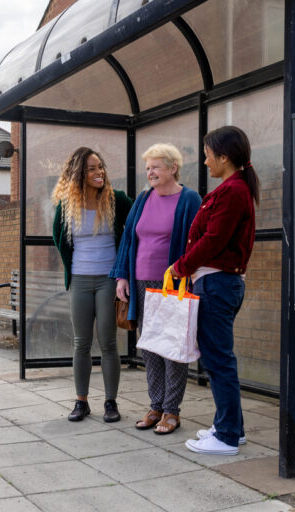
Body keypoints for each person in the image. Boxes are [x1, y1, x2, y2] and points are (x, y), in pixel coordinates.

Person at [170, 126, 259, 455]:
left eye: (208, 156)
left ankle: (226, 436)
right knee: (220, 358)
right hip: (217, 282)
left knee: (218, 360)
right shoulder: (233, 189)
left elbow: (213, 240)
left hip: (217, 284)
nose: (206, 162)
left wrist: (180, 266)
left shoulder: (233, 191)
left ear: (224, 157)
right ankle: (232, 429)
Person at [110, 143, 201, 434]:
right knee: (150, 346)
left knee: (173, 346)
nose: (150, 172)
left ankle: (172, 411)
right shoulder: (143, 199)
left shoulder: (189, 199)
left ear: (173, 168)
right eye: (147, 168)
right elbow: (128, 239)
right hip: (140, 283)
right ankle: (156, 405)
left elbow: (196, 241)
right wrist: (121, 276)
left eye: (156, 167)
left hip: (172, 284)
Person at [52, 147, 133, 423]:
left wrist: (125, 270)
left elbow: (135, 227)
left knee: (109, 342)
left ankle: (111, 402)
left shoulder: (117, 199)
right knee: (81, 343)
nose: (99, 173)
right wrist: (70, 273)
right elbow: (59, 238)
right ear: (79, 174)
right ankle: (81, 401)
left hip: (109, 280)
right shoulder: (66, 204)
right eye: (91, 169)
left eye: (100, 167)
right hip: (81, 280)